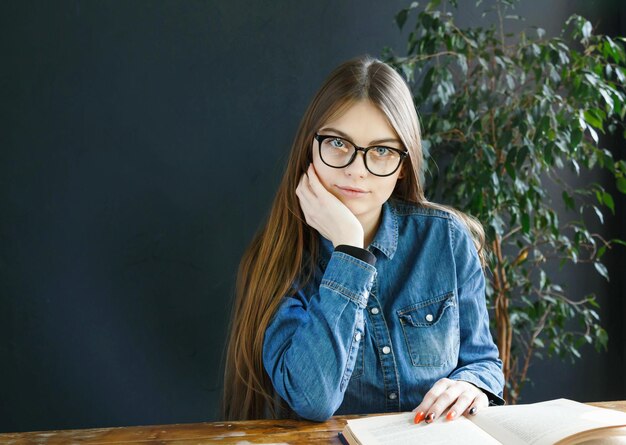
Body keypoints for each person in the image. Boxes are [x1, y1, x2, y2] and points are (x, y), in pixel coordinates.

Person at [223, 55, 504, 423]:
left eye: (382, 151)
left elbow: (482, 362)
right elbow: (313, 400)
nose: (357, 170)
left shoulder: (446, 240)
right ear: (312, 146)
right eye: (338, 143)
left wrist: (472, 386)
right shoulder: (279, 260)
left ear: (402, 165)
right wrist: (350, 252)